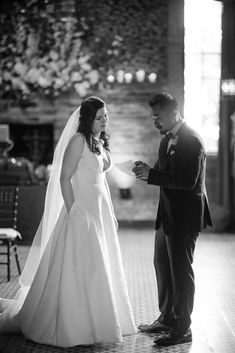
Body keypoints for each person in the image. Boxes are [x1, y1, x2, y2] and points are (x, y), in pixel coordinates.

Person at [0, 96, 136, 347]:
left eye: (106, 115)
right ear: (87, 119)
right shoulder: (78, 141)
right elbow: (65, 178)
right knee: (82, 265)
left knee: (101, 265)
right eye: (99, 117)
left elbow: (102, 177)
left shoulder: (99, 141)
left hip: (99, 210)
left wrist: (112, 210)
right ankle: (76, 324)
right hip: (81, 210)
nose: (105, 120)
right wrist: (74, 211)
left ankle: (101, 319)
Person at [133, 91, 212, 347]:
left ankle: (182, 328)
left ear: (174, 111)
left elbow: (188, 182)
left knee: (181, 272)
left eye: (158, 116)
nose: (155, 121)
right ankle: (166, 318)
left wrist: (154, 176)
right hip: (166, 215)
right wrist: (147, 171)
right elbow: (165, 172)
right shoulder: (166, 139)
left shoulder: (192, 140)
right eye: (153, 116)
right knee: (163, 267)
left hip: (185, 218)